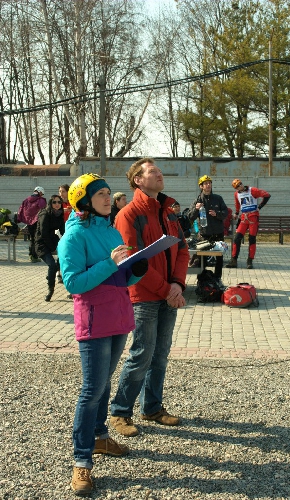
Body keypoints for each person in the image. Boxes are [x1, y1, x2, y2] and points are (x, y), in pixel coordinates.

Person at [57, 173, 148, 496]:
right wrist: (112, 265)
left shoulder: (111, 232)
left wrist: (134, 269)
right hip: (94, 321)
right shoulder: (72, 238)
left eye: (109, 193)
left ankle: (99, 437)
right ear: (83, 201)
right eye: (102, 195)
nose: (109, 198)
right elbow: (73, 284)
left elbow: (118, 279)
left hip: (118, 318)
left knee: (104, 383)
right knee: (91, 389)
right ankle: (81, 461)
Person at [110, 157, 189, 438]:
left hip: (169, 292)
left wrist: (178, 284)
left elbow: (182, 251)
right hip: (144, 296)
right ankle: (120, 411)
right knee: (142, 353)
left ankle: (152, 407)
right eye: (152, 171)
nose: (159, 175)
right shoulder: (129, 214)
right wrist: (168, 290)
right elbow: (133, 260)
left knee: (161, 353)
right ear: (137, 180)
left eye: (159, 171)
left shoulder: (168, 212)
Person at [188, 175, 228, 280]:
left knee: (219, 258)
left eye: (209, 183)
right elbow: (190, 217)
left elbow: (225, 213)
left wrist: (217, 214)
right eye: (205, 183)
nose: (208, 185)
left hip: (218, 233)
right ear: (201, 186)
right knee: (202, 258)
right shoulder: (198, 200)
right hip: (205, 234)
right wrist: (196, 209)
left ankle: (217, 278)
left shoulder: (218, 198)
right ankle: (201, 280)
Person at [225, 178, 271, 269]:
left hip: (253, 217)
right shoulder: (236, 194)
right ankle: (234, 260)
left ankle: (250, 260)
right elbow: (238, 204)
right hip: (243, 218)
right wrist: (237, 213)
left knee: (252, 239)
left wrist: (260, 207)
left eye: (240, 184)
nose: (240, 186)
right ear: (236, 188)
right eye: (237, 186)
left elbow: (267, 195)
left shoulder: (252, 190)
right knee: (237, 238)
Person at [35, 195, 65, 301]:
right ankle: (50, 290)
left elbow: (63, 231)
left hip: (53, 239)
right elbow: (43, 233)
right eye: (54, 202)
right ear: (50, 203)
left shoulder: (59, 214)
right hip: (42, 242)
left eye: (59, 202)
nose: (57, 204)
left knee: (65, 256)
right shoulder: (45, 214)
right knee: (52, 265)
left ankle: (51, 275)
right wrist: (52, 247)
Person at [17, 186, 47, 262]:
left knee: (32, 239)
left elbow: (21, 209)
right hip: (38, 222)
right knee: (37, 239)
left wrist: (19, 218)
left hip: (29, 222)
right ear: (40, 192)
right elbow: (44, 210)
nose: (42, 195)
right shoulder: (41, 200)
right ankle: (35, 256)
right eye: (42, 194)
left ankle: (31, 255)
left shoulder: (26, 200)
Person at [56, 184, 71, 284]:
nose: (61, 194)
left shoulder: (72, 202)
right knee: (60, 252)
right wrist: (62, 211)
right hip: (60, 230)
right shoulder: (57, 203)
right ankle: (58, 273)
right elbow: (52, 212)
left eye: (63, 191)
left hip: (70, 230)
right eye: (60, 191)